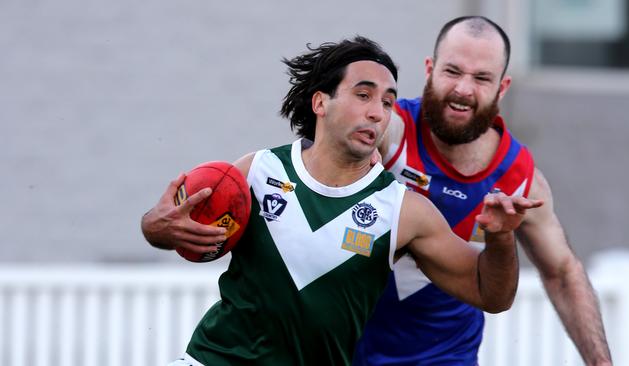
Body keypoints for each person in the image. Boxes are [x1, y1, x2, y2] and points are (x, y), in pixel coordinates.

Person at [141, 36, 542, 366]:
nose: (376, 112)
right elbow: (174, 228)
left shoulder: (404, 211)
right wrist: (155, 228)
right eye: (363, 95)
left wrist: (501, 239)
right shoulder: (256, 170)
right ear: (321, 102)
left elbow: (492, 295)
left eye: (387, 102)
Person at [353, 16, 612, 366]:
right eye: (452, 71)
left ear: (502, 88)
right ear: (429, 69)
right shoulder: (389, 132)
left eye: (481, 78)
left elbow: (563, 273)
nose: (463, 89)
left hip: (442, 358)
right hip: (340, 347)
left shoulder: (519, 179)